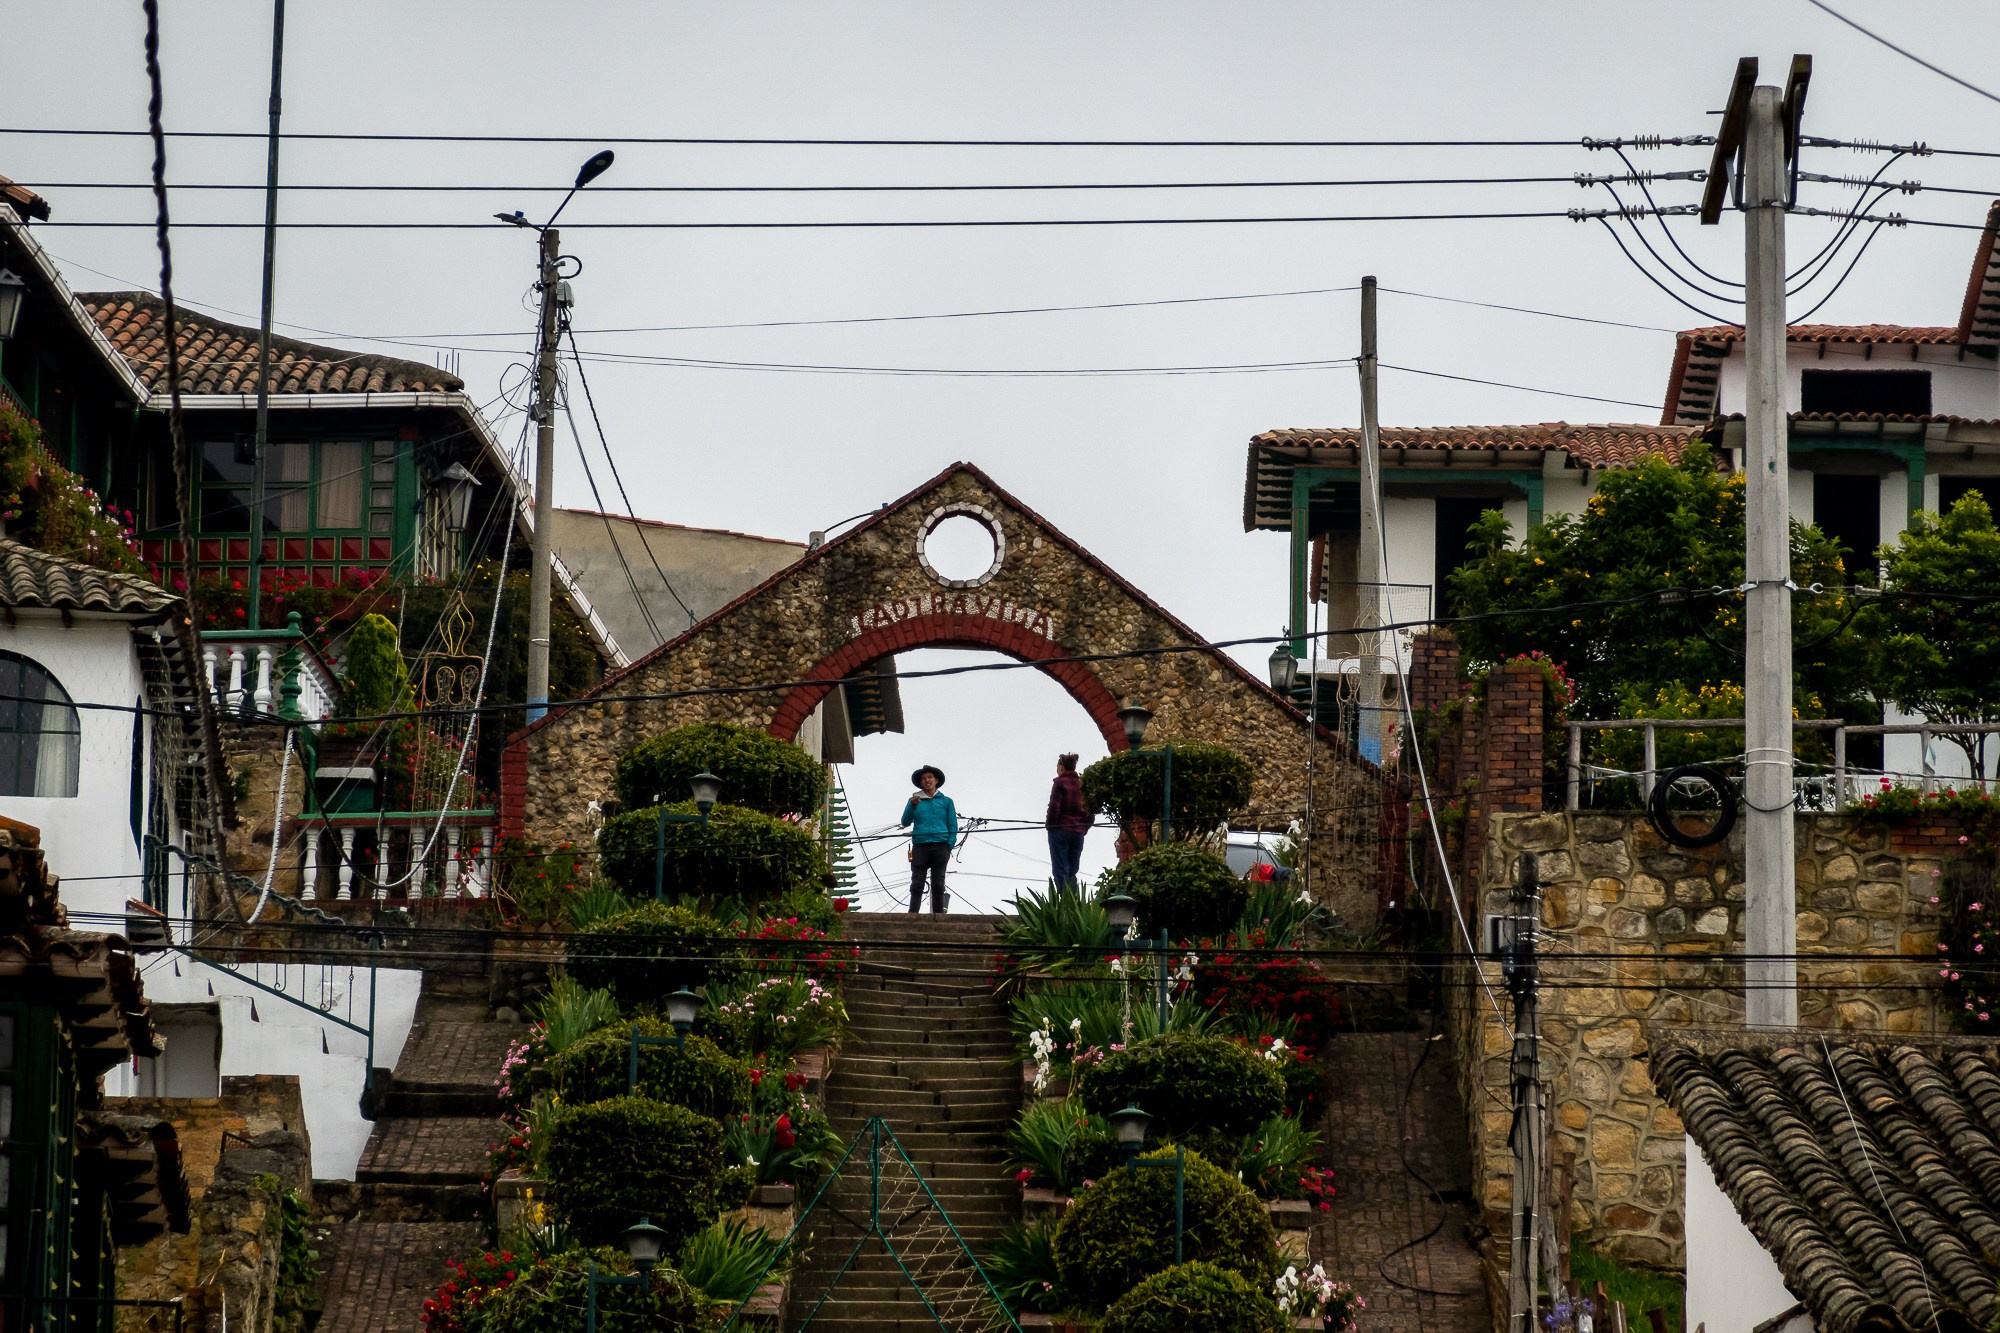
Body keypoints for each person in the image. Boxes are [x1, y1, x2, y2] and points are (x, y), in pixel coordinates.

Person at [900, 765, 957, 914]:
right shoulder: (914, 800)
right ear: (921, 783)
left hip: (941, 846)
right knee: (917, 882)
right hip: (920, 846)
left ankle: (938, 916)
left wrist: (949, 845)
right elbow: (905, 822)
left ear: (936, 780)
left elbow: (953, 825)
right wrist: (912, 806)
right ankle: (913, 915)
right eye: (924, 779)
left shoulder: (946, 802)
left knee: (938, 883)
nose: (927, 781)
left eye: (930, 777)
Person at [1045, 752, 1090, 891]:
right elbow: (1091, 809)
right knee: (1072, 870)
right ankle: (1074, 902)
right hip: (1078, 833)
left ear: (1061, 767)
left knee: (1060, 870)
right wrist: (1084, 828)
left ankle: (1065, 904)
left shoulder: (1060, 783)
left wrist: (1050, 826)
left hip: (1061, 831)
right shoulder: (1082, 783)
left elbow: (1054, 807)